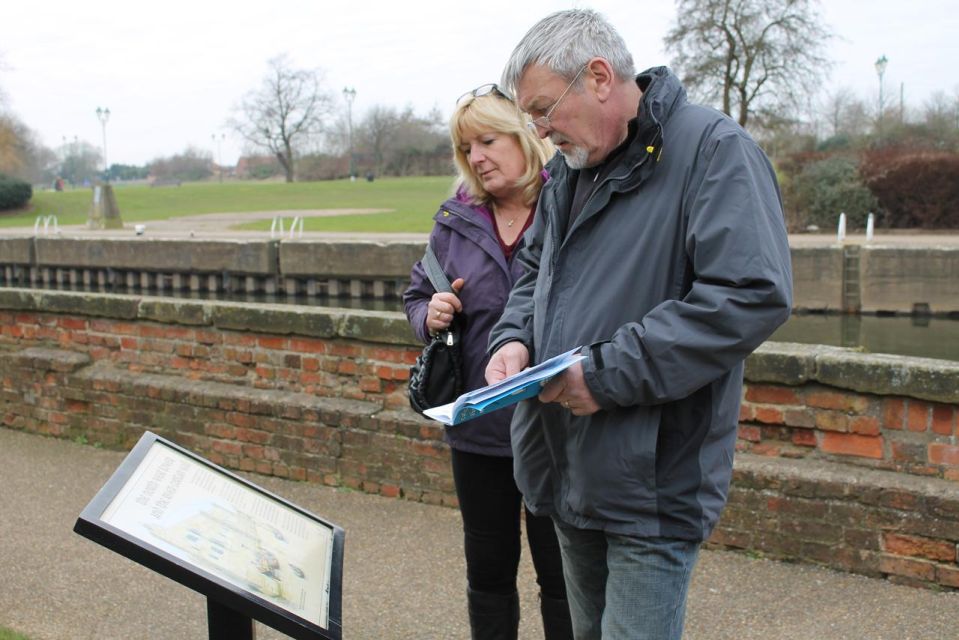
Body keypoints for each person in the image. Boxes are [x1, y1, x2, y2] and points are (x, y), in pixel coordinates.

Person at [484, 9, 794, 640]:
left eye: (544, 109)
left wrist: (602, 374)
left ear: (599, 76)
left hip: (653, 480)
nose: (541, 132)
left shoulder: (714, 150)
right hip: (567, 466)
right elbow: (535, 270)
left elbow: (749, 294)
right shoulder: (571, 169)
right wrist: (513, 338)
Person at [403, 85, 572, 640]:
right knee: (489, 575)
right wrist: (431, 312)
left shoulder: (572, 202)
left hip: (558, 425)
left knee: (563, 579)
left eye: (487, 140)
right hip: (478, 429)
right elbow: (415, 294)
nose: (476, 157)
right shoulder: (456, 219)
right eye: (465, 147)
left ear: (525, 137)